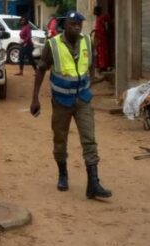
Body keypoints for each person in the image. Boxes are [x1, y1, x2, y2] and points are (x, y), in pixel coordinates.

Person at [30, 10, 113, 200]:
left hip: (83, 99)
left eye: (79, 24)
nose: (76, 27)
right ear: (65, 25)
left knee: (89, 138)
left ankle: (93, 183)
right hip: (61, 102)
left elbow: (91, 61)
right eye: (72, 24)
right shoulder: (53, 45)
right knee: (60, 139)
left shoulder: (86, 40)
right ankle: (63, 174)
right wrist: (35, 98)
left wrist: (90, 81)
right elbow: (41, 69)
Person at [93, 6, 110, 72]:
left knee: (100, 52)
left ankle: (101, 66)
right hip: (101, 38)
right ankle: (103, 66)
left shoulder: (98, 18)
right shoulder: (101, 18)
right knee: (102, 52)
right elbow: (107, 17)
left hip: (99, 37)